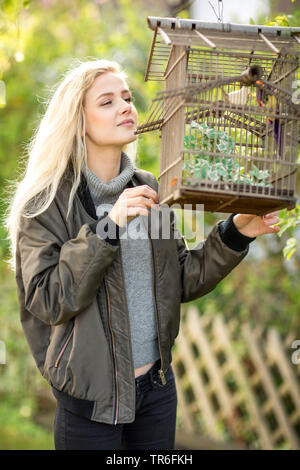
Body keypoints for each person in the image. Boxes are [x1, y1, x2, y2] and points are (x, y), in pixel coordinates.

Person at [4, 59, 280, 450]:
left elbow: (179, 279)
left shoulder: (148, 187)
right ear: (77, 121)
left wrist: (236, 232)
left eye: (127, 98)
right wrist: (109, 227)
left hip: (156, 393)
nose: (125, 107)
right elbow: (49, 299)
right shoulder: (47, 204)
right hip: (91, 404)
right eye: (107, 101)